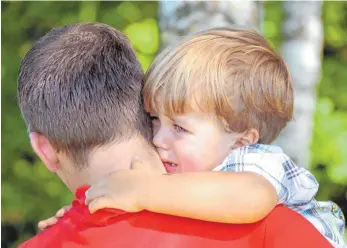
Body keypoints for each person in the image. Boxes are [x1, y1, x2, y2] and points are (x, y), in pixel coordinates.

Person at [18, 23, 333, 248]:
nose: (158, 139)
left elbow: (254, 196)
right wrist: (93, 202)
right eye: (154, 119)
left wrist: (141, 191)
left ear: (242, 139)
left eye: (180, 128)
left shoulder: (254, 168)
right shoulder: (197, 185)